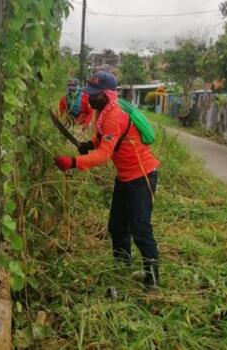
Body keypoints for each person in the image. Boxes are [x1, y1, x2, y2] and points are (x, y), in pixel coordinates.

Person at [53, 71, 161, 292]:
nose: (90, 99)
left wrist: (74, 162)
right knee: (117, 225)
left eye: (96, 95)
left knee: (140, 228)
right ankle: (122, 266)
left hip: (142, 175)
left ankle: (153, 280)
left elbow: (104, 155)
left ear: (108, 94)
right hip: (125, 176)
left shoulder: (114, 116)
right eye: (89, 94)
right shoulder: (103, 112)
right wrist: (88, 144)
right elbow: (101, 138)